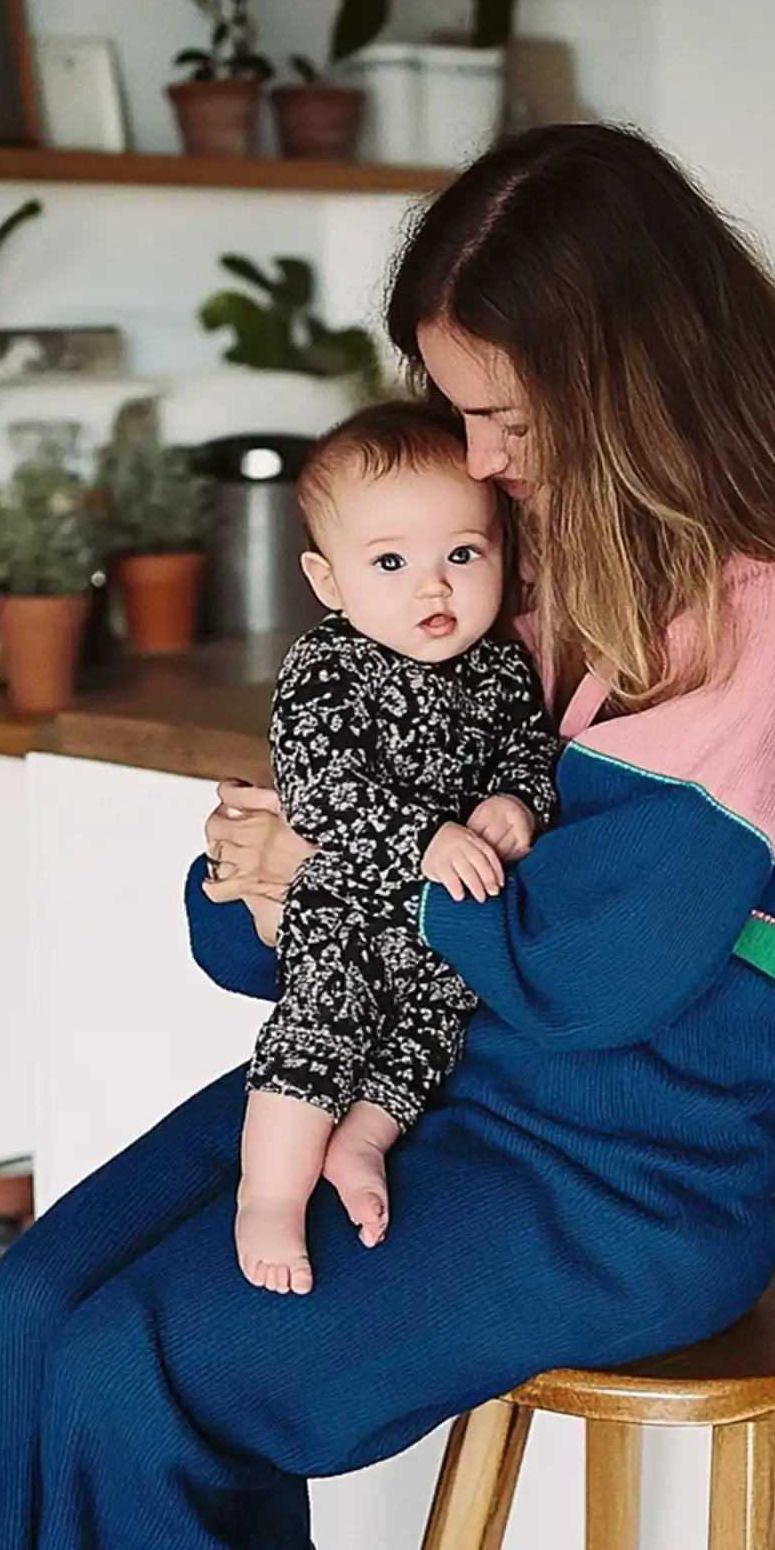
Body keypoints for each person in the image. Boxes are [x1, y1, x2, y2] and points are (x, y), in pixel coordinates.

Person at [0, 122, 775, 1550]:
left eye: (511, 417)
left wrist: (338, 868)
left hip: (619, 1185)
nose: (477, 460)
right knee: (33, 1304)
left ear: (643, 383)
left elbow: (587, 971)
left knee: (132, 1375)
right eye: (458, 412)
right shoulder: (515, 572)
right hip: (430, 1092)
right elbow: (275, 926)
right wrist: (262, 878)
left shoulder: (768, 615)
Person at [235, 401, 560, 1296]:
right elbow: (320, 787)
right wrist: (424, 838)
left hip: (445, 938)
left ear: (503, 553)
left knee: (428, 1040)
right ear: (328, 578)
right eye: (391, 562)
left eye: (463, 554)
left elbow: (527, 751)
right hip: (348, 913)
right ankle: (268, 1195)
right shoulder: (327, 666)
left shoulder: (498, 670)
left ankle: (361, 1144)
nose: (435, 589)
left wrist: (514, 804)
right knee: (320, 1031)